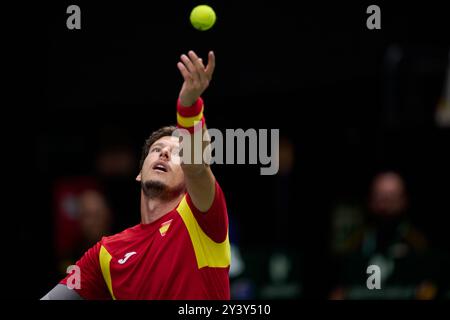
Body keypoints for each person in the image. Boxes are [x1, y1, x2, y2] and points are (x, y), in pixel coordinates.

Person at [41, 50, 232, 300]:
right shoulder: (105, 253)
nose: (163, 154)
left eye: (176, 153)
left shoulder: (202, 220)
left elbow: (197, 165)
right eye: (156, 150)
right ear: (139, 174)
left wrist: (189, 106)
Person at [330, 171, 448, 299]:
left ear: (404, 200)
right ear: (370, 201)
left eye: (391, 197)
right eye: (380, 197)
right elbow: (339, 291)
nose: (385, 205)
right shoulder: (354, 246)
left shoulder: (421, 248)